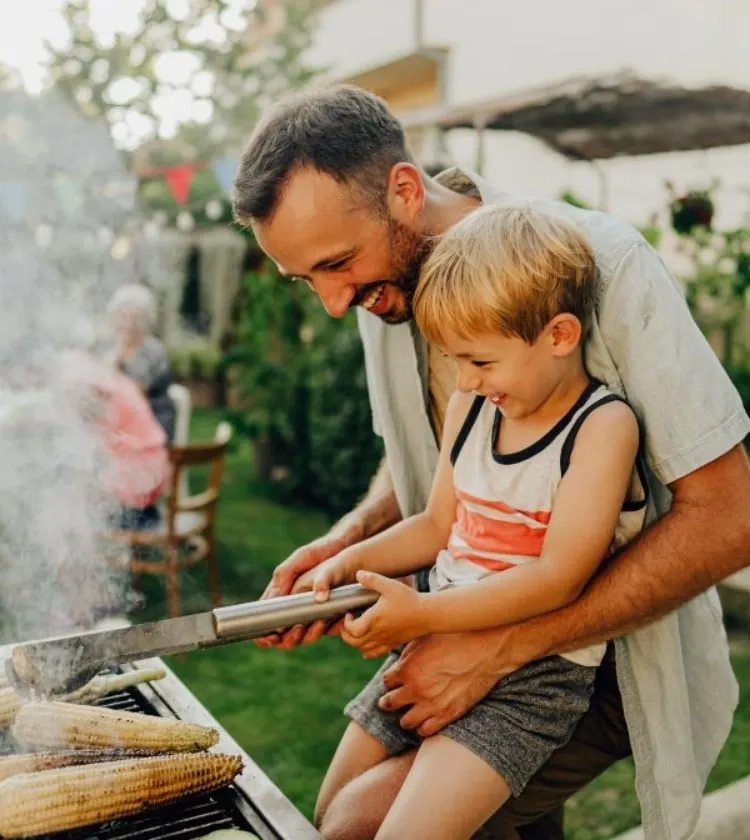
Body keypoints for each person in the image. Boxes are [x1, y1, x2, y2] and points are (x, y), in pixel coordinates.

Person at [232, 85, 750, 840]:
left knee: (359, 825)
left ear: (403, 191)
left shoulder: (606, 263)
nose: (334, 304)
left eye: (338, 264)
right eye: (306, 278)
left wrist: (497, 649)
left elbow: (731, 516)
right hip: (459, 623)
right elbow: (450, 461)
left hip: (594, 660)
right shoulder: (390, 284)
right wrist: (349, 543)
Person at [295, 203, 648, 840]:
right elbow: (435, 526)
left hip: (533, 676)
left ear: (559, 336)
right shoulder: (474, 403)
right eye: (454, 359)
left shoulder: (601, 429)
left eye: (480, 361)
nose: (464, 380)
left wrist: (421, 614)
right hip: (434, 639)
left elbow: (558, 579)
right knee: (331, 814)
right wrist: (346, 560)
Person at [105, 284, 176, 443]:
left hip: (152, 417)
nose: (130, 324)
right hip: (117, 418)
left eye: (136, 318)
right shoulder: (109, 348)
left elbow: (142, 389)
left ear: (146, 320)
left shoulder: (154, 350)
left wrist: (118, 367)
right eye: (124, 316)